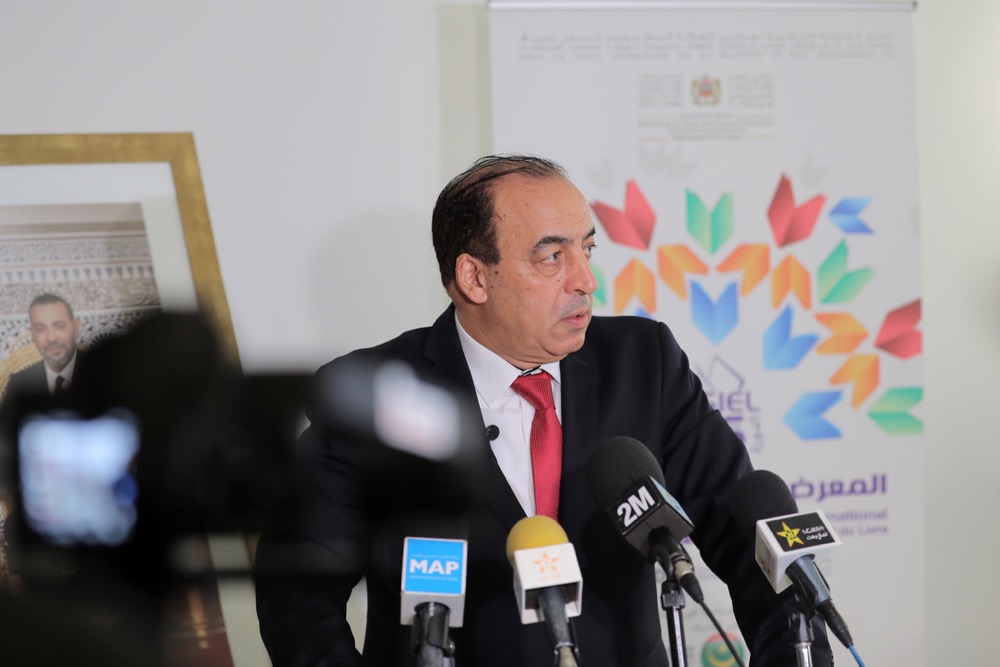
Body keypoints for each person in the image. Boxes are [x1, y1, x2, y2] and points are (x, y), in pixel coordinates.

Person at [254, 156, 832, 666]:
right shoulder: (376, 396)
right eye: (553, 257)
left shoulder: (645, 363)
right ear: (474, 277)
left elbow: (750, 545)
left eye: (587, 248)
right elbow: (299, 595)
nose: (586, 280)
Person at [4, 293, 86, 400]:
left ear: (75, 328)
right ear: (32, 334)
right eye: (40, 329)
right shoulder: (19, 384)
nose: (51, 338)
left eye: (59, 326)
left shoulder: (103, 374)